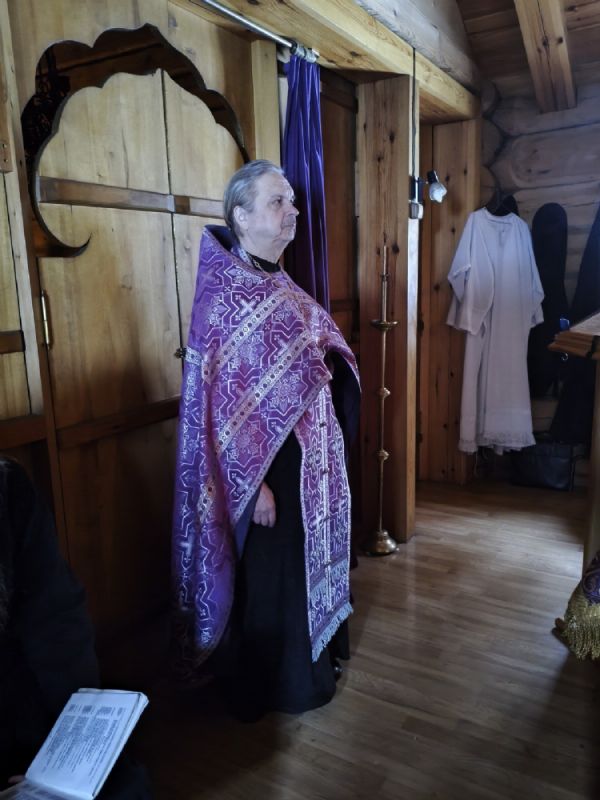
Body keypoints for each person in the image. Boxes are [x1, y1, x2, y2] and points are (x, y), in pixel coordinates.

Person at [171, 160, 360, 720]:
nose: (292, 211)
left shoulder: (278, 282)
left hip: (307, 466)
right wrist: (254, 491)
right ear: (240, 215)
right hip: (261, 477)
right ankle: (278, 687)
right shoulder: (223, 298)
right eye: (277, 202)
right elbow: (218, 413)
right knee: (271, 578)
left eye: (291, 201)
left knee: (301, 570)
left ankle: (314, 663)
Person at [0, 456, 151, 797]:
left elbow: (57, 620)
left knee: (125, 787)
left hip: (20, 705)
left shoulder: (9, 485)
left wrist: (66, 752)